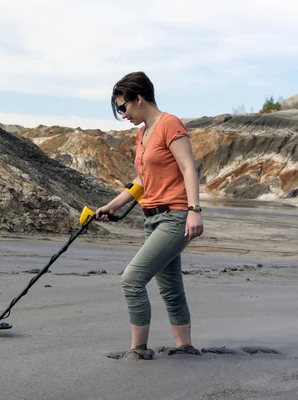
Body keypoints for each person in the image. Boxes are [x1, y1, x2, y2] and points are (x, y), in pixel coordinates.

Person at [96, 71, 204, 360]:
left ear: (138, 99)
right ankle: (185, 348)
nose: (122, 114)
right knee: (169, 287)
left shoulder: (170, 124)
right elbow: (143, 180)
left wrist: (195, 210)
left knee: (131, 280)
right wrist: (113, 205)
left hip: (176, 216)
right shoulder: (142, 133)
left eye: (123, 107)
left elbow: (188, 168)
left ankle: (138, 349)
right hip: (152, 218)